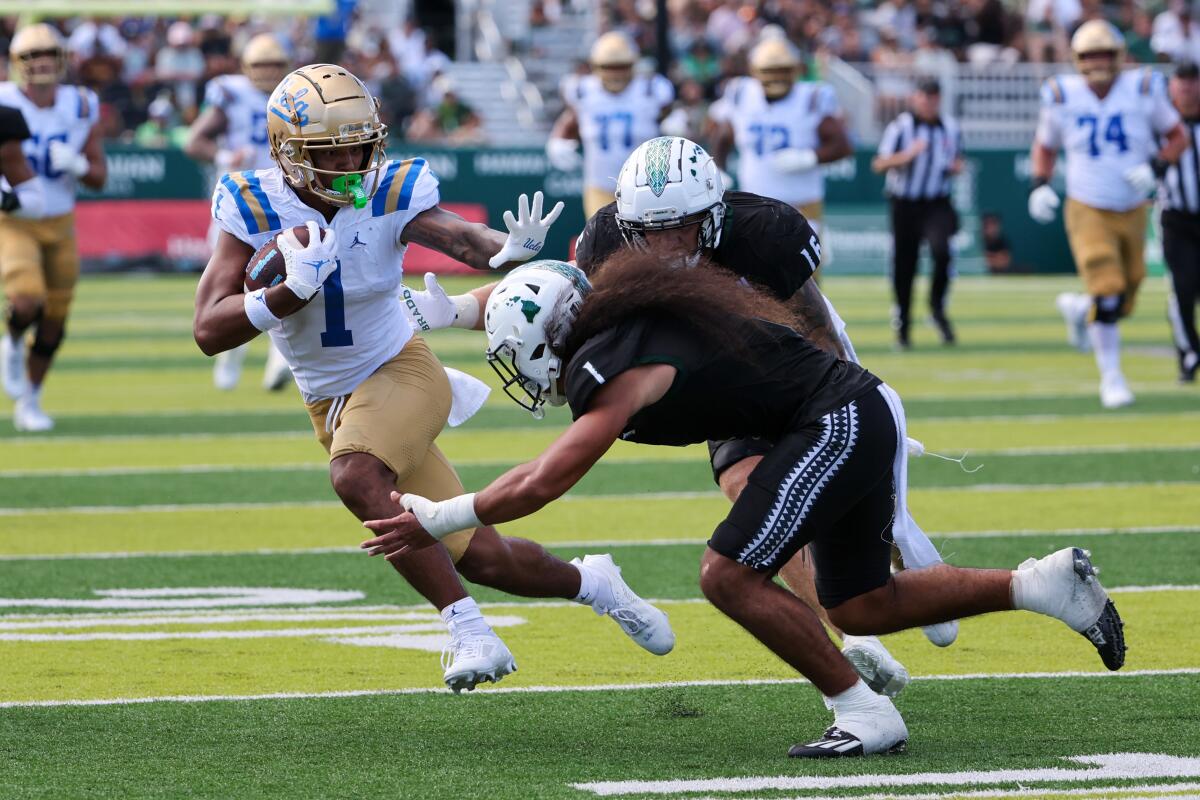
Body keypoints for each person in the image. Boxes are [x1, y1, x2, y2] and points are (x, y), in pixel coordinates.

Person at [359, 256, 1127, 757]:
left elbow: (549, 478)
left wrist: (444, 515)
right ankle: (1041, 586)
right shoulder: (618, 317)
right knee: (857, 605)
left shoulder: (610, 361)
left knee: (726, 574)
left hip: (837, 421)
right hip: (850, 413)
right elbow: (540, 289)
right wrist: (460, 307)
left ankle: (862, 711)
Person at [399, 137, 958, 700]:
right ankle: (855, 638)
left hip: (789, 363)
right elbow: (562, 300)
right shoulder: (608, 238)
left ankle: (899, 536)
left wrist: (850, 422)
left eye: (681, 228)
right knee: (748, 486)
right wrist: (457, 310)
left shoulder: (764, 235)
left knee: (826, 497)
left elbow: (817, 331)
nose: (665, 245)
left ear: (713, 213)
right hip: (709, 372)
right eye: (650, 230)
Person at [193, 64, 673, 693]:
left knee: (356, 474)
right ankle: (595, 583)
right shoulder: (251, 203)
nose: (352, 164)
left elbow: (460, 239)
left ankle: (467, 630)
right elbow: (208, 329)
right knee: (484, 558)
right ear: (288, 152)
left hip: (402, 371)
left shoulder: (387, 190)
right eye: (332, 152)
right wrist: (289, 292)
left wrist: (504, 249)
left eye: (361, 147)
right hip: (330, 399)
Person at [1029, 20, 1188, 408]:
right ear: (1077, 59)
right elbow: (1045, 145)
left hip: (1133, 206)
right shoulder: (1061, 93)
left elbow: (1178, 136)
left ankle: (1082, 308)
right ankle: (1112, 377)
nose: (1098, 63)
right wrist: (1040, 184)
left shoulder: (1143, 88)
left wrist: (1156, 166)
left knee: (1128, 289)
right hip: (1086, 204)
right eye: (1090, 55)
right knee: (1107, 282)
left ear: (1119, 56)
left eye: (1105, 54)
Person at [0, 23, 106, 432]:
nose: (41, 63)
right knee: (26, 298)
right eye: (31, 56)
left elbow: (99, 175)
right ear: (17, 63)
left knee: (55, 318)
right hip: (16, 219)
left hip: (60, 220)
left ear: (62, 59)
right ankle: (10, 342)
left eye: (47, 54)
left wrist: (79, 165)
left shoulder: (80, 104)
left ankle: (30, 399)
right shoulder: (6, 102)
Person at [186, 33, 294, 392]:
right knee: (230, 284)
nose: (268, 73)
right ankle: (231, 356)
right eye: (261, 65)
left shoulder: (296, 94)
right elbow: (194, 140)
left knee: (293, 278)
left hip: (287, 200)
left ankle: (281, 359)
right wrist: (222, 157)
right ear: (246, 67)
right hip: (241, 204)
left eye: (274, 65)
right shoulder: (229, 92)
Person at [709, 34, 852, 270]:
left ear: (794, 69)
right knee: (752, 272)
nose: (775, 76)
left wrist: (809, 157)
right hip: (753, 203)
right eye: (770, 70)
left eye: (782, 69)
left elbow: (843, 145)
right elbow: (722, 134)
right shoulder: (741, 92)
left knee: (803, 274)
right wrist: (719, 168)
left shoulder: (813, 97)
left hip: (801, 202)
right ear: (755, 70)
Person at [872, 78, 963, 349]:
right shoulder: (901, 127)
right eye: (925, 96)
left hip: (937, 202)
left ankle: (936, 308)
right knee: (905, 264)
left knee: (942, 252)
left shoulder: (951, 128)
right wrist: (906, 156)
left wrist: (956, 167)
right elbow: (879, 163)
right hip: (905, 203)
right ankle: (903, 321)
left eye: (934, 97)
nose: (929, 102)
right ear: (915, 98)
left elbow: (957, 159)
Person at [545, 31, 674, 217]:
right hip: (599, 184)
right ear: (596, 66)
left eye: (621, 66)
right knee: (602, 240)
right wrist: (557, 139)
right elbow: (571, 118)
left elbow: (669, 117)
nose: (616, 73)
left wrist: (673, 125)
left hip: (646, 185)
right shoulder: (584, 91)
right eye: (609, 67)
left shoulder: (651, 89)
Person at [1158, 61, 1200, 384]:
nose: (1187, 89)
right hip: (1177, 219)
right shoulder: (1161, 124)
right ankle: (1189, 352)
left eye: (1192, 82)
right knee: (1183, 287)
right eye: (1181, 83)